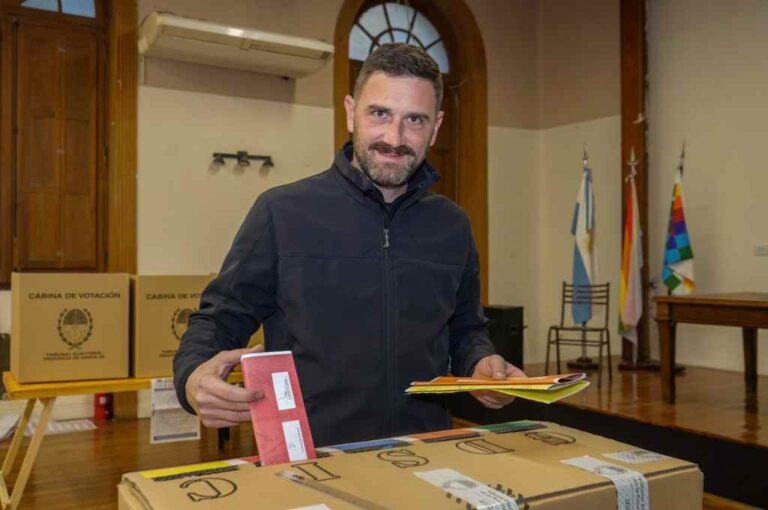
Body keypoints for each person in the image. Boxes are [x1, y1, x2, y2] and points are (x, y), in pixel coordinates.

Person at [174, 42, 525, 447]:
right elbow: (219, 319)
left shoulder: (453, 226)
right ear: (349, 112)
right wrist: (192, 378)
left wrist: (481, 362)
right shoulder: (281, 212)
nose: (394, 137)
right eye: (379, 113)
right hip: (309, 457)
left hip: (426, 453)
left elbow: (465, 330)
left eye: (415, 119)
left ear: (437, 125)